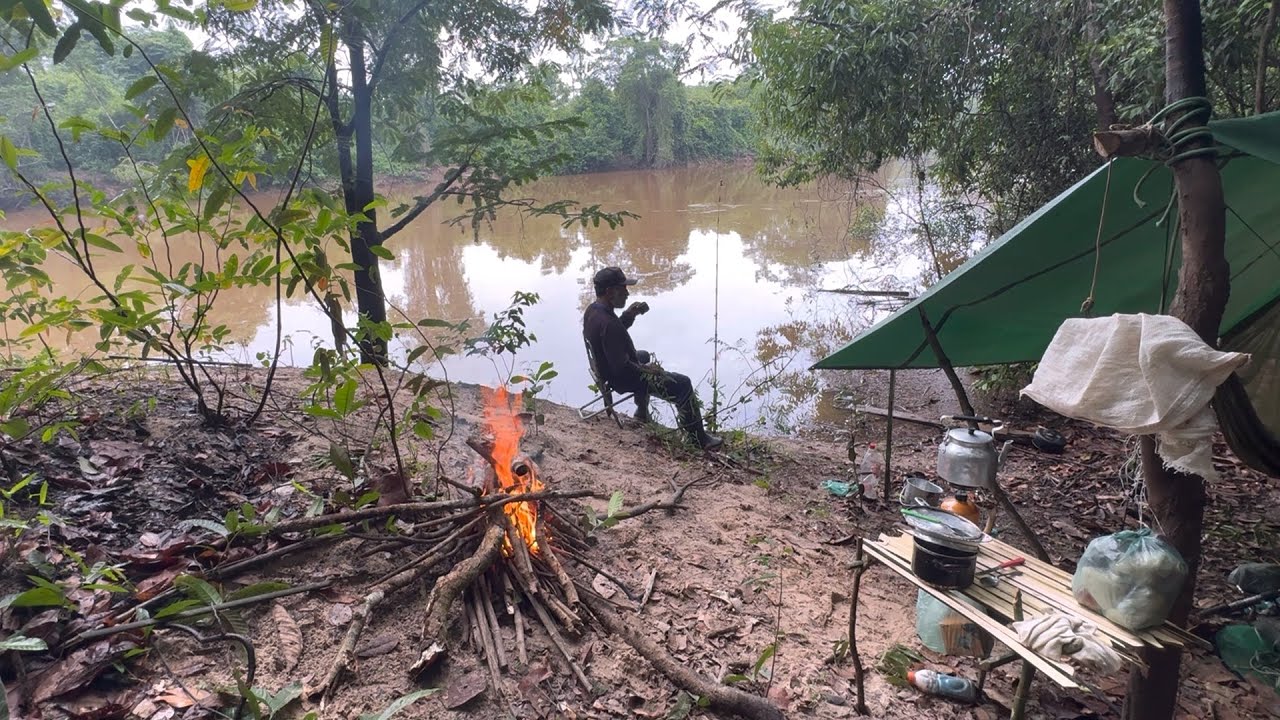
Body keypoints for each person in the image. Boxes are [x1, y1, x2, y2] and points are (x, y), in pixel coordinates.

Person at [582, 266, 723, 450]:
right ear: (609, 292)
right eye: (622, 288)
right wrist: (647, 370)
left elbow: (610, 339)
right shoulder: (609, 324)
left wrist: (628, 316)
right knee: (682, 384)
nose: (627, 293)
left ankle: (642, 413)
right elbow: (621, 367)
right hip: (620, 377)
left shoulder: (594, 311)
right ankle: (699, 439)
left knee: (643, 355)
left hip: (603, 368)